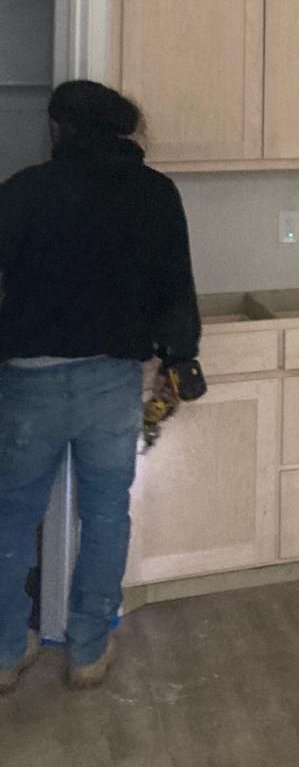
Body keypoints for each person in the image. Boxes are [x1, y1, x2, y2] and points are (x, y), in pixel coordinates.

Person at [0, 80, 200, 693]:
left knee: (11, 520)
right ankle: (87, 650)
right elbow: (175, 286)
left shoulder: (23, 190)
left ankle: (4, 653)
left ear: (58, 127)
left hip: (28, 381)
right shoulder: (154, 193)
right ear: (121, 130)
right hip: (111, 380)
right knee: (107, 515)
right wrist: (179, 357)